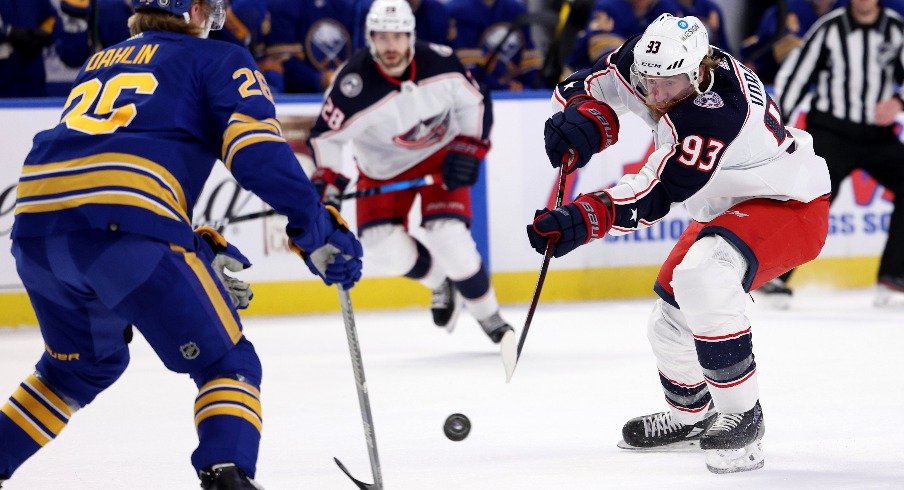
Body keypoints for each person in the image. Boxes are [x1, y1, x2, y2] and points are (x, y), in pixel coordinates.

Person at [0, 1, 363, 488]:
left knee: (75, 372)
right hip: (127, 231)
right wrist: (315, 229)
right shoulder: (219, 58)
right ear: (194, 9)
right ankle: (225, 474)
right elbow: (257, 154)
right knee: (227, 363)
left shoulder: (100, 62)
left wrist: (187, 243)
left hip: (35, 228)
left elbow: (104, 168)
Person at [527, 14, 831, 473]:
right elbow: (588, 84)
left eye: (668, 84)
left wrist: (584, 216)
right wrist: (588, 115)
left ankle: (743, 419)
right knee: (668, 325)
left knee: (704, 279)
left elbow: (656, 192)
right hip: (724, 204)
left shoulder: (715, 114)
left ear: (698, 72)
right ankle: (693, 417)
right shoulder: (657, 59)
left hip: (788, 205)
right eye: (649, 80)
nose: (654, 94)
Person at [308, 0, 515, 346]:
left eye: (398, 37)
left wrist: (469, 147)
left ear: (410, 36)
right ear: (370, 38)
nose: (391, 47)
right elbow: (325, 137)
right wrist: (327, 180)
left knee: (449, 237)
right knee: (377, 246)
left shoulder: (442, 62)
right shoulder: (351, 86)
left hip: (440, 157)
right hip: (382, 170)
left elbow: (474, 101)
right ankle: (441, 283)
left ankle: (489, 315)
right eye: (382, 37)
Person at [772, 0, 904, 307]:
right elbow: (795, 75)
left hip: (877, 135)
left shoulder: (895, 29)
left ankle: (893, 275)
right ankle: (773, 275)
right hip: (832, 132)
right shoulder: (830, 28)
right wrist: (780, 128)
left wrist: (898, 101)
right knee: (810, 199)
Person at [0, 0, 57, 97]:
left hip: (32, 69)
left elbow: (51, 18)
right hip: (4, 70)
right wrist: (8, 33)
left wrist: (41, 34)